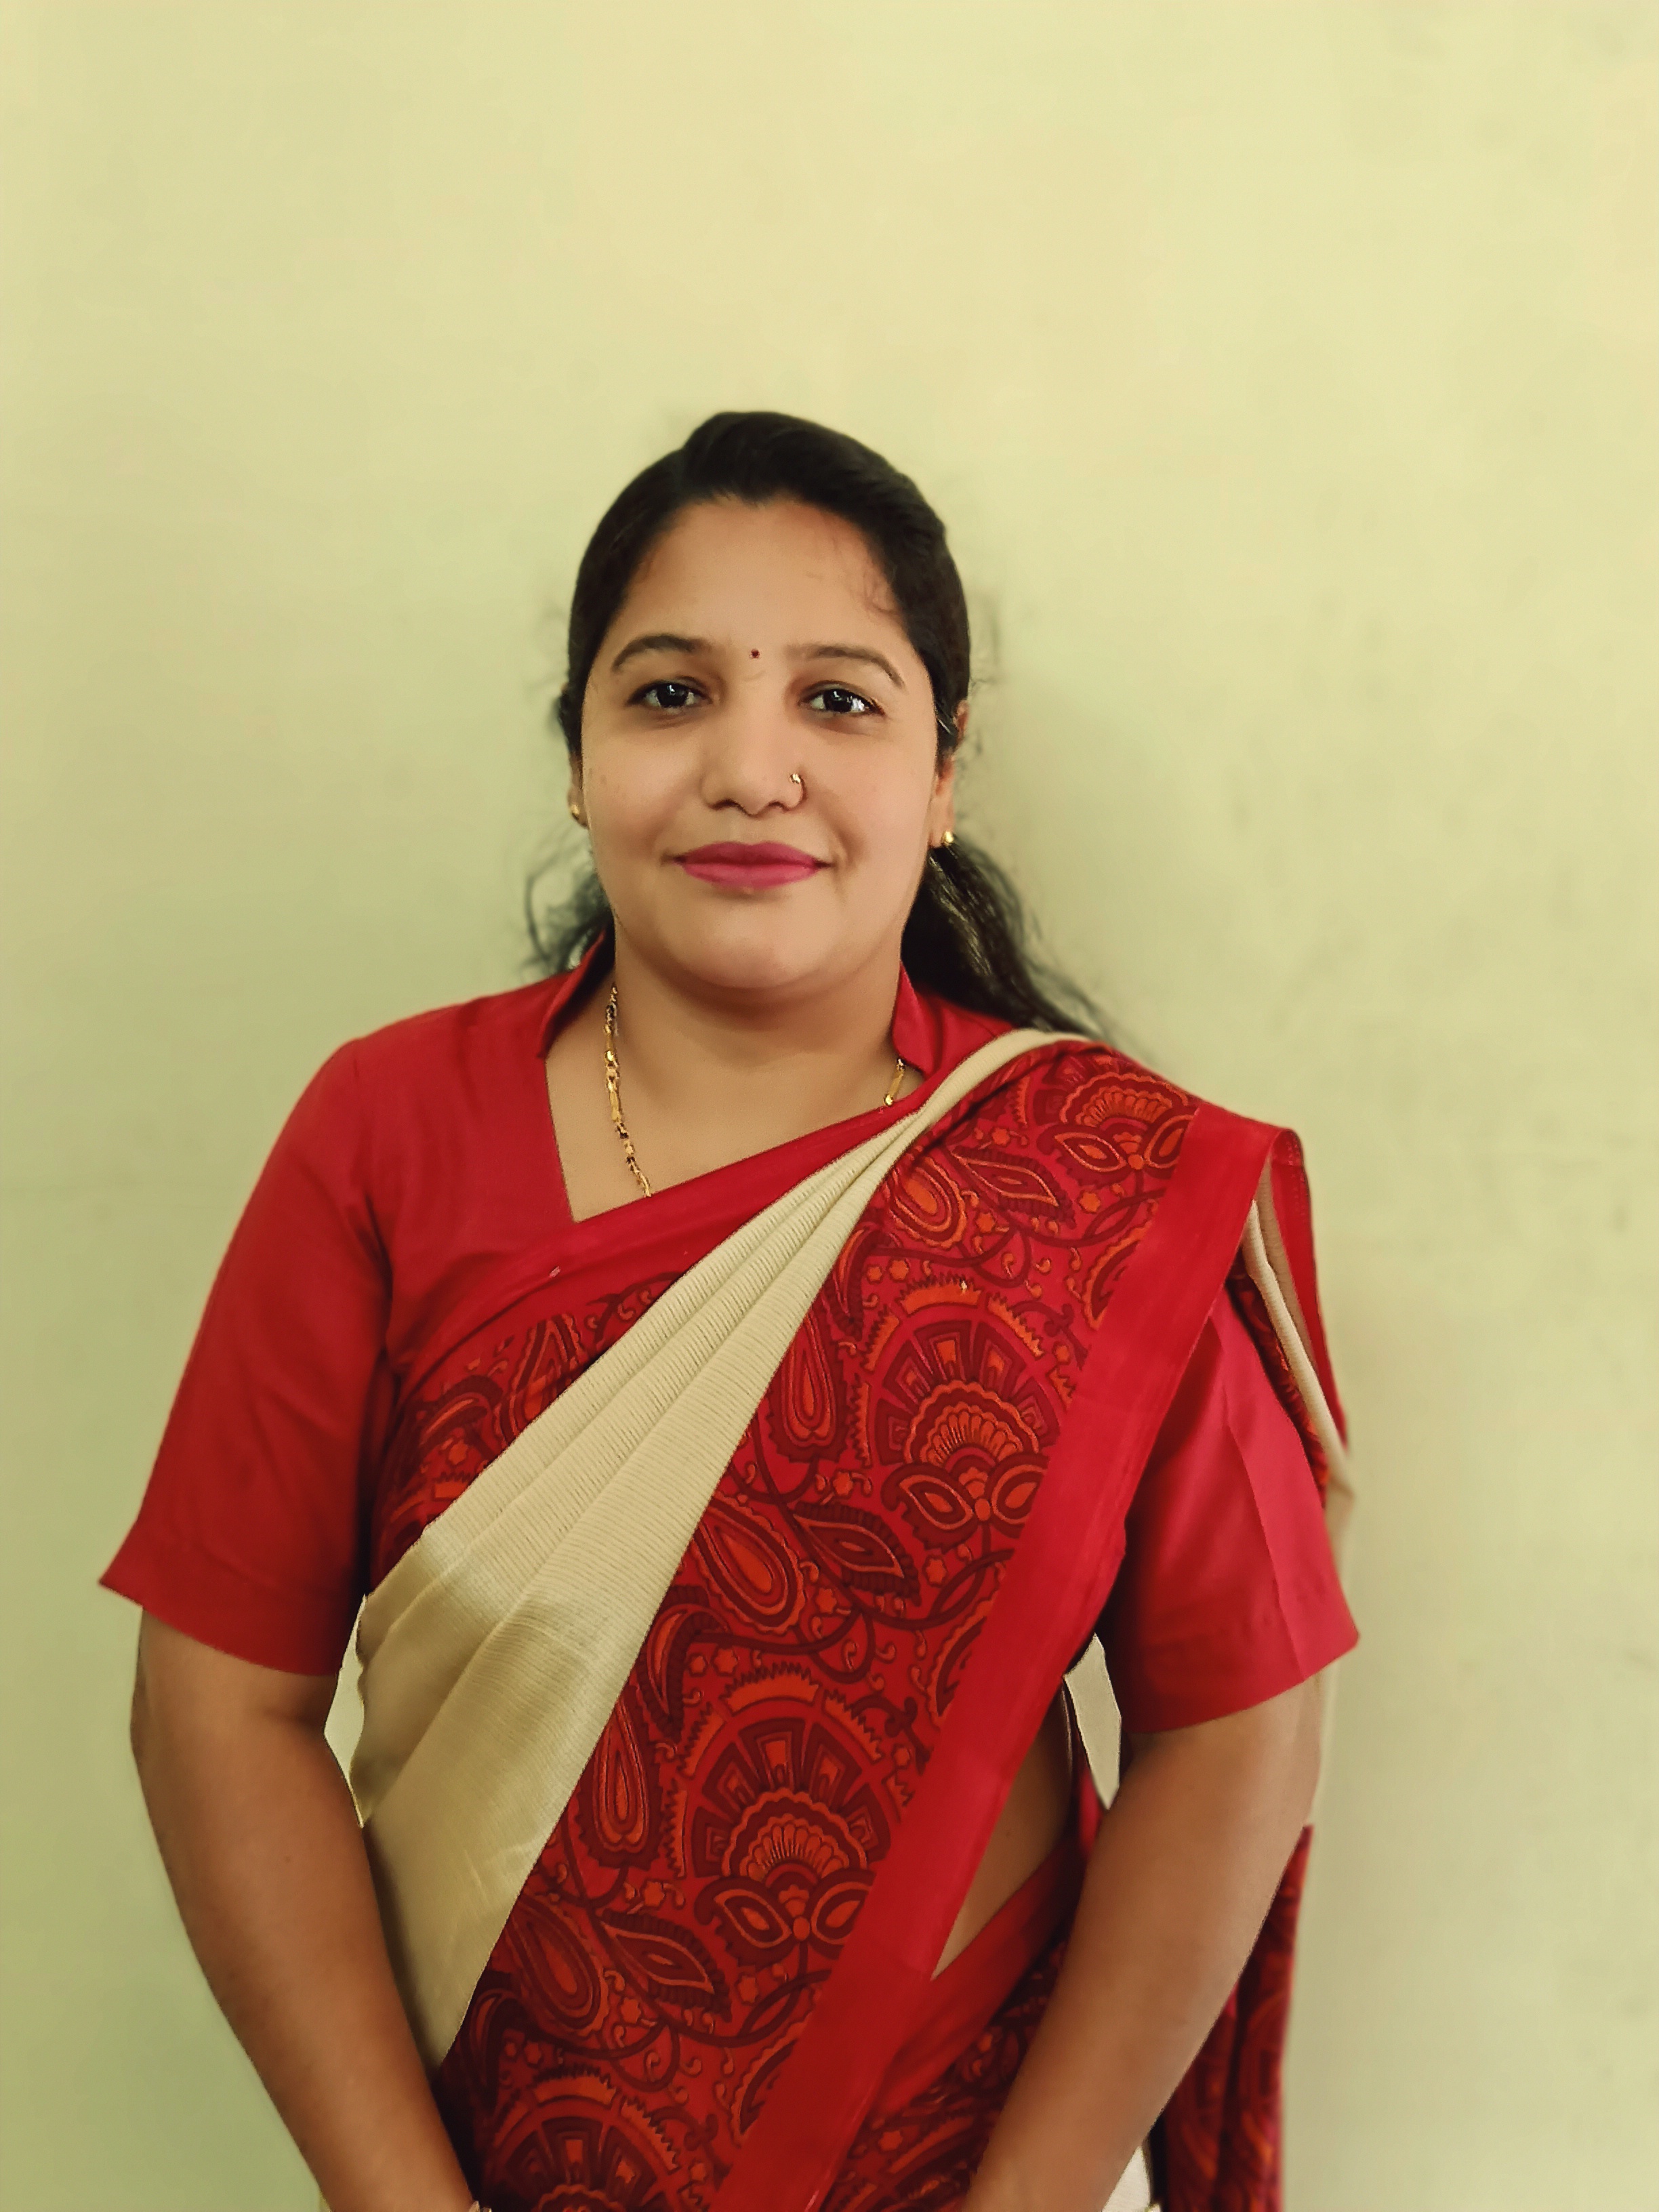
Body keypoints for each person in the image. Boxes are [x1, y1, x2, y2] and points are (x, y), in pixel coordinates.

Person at [103, 411, 1357, 2212]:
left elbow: (1240, 1713)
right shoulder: (389, 1133)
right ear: (579, 755)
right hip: (480, 2156)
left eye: (838, 700)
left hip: (951, 2162)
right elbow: (217, 1703)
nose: (753, 770)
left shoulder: (1085, 1186)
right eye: (672, 695)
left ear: (944, 771)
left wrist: (1033, 2196)